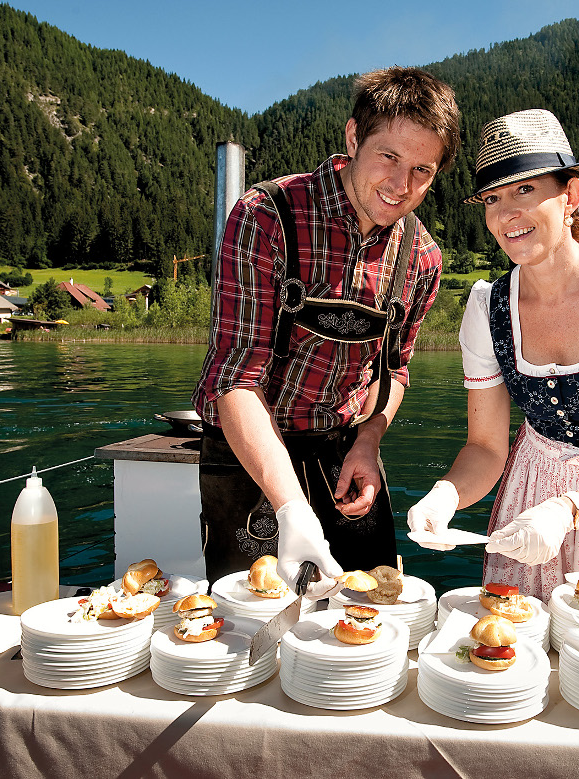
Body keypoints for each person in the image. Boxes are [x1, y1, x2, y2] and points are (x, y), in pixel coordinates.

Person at [407, 109, 579, 618]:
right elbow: (486, 447)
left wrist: (568, 510)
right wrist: (446, 495)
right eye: (493, 199)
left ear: (572, 196)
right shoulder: (486, 308)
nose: (505, 213)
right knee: (514, 644)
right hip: (528, 490)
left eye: (524, 190)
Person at [192, 66, 460, 600]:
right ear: (353, 136)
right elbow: (236, 381)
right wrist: (290, 507)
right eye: (388, 156)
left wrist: (369, 439)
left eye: (423, 171)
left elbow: (393, 370)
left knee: (373, 616)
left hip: (346, 456)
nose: (401, 187)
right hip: (250, 458)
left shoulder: (422, 257)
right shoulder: (266, 216)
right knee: (254, 626)